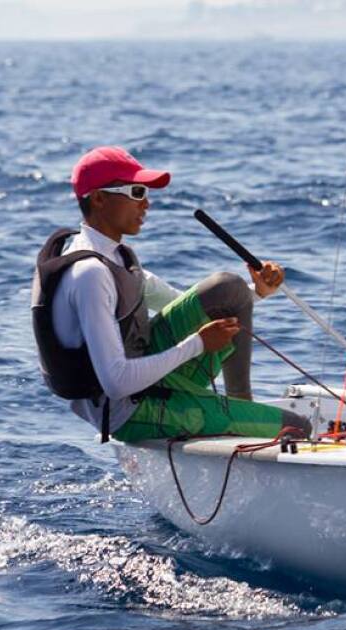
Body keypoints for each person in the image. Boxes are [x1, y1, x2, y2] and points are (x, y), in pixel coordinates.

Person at [31, 145, 311, 442]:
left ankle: (242, 408)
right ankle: (244, 424)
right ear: (99, 198)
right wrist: (198, 344)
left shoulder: (116, 257)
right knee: (296, 427)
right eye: (137, 192)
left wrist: (257, 292)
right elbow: (115, 383)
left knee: (228, 288)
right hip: (128, 411)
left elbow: (198, 304)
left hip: (141, 380)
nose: (147, 204)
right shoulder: (90, 274)